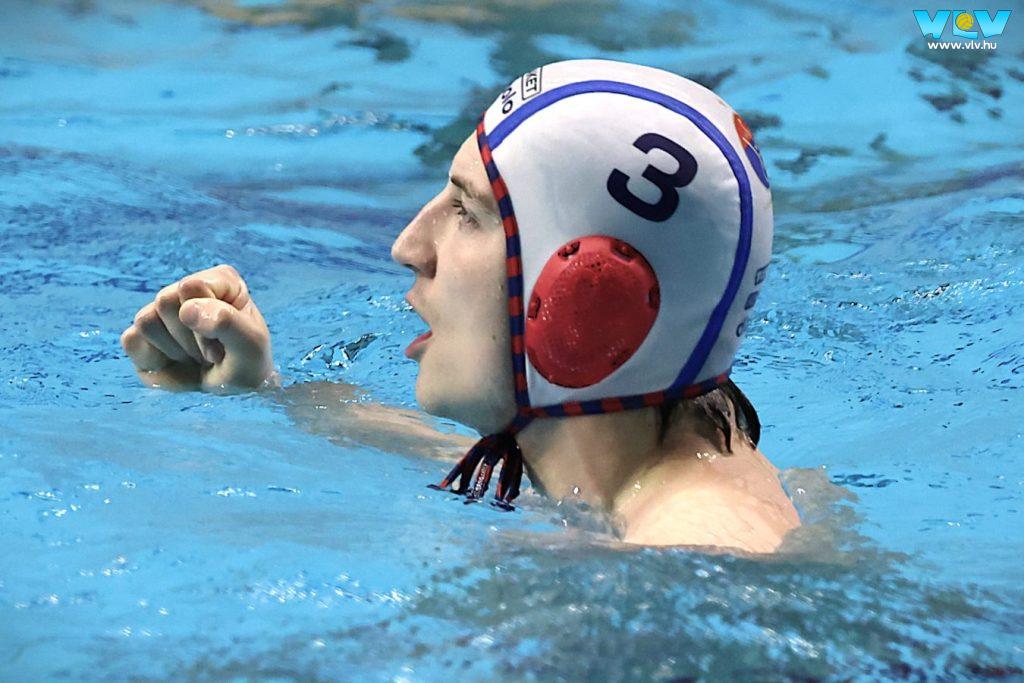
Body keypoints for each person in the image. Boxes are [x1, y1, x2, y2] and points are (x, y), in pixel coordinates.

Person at [121, 59, 800, 554]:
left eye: (468, 213)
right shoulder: (621, 475)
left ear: (589, 295)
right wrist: (259, 391)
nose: (408, 247)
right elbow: (429, 448)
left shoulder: (697, 551)